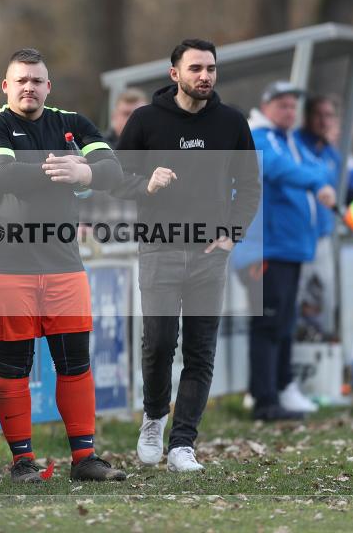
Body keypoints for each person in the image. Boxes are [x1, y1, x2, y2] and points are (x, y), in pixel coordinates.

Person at [0, 48, 126, 483]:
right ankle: (22, 461)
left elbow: (112, 170)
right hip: (5, 261)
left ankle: (85, 458)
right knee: (14, 362)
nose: (29, 87)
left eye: (37, 80)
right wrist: (68, 169)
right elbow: (0, 175)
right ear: (6, 86)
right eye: (21, 80)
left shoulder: (72, 123)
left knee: (75, 361)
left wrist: (88, 173)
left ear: (48, 86)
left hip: (63, 261)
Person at [114, 39, 260, 471]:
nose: (205, 76)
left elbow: (249, 185)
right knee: (159, 343)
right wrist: (145, 184)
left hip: (209, 256)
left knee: (200, 350)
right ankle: (154, 417)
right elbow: (115, 178)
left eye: (211, 68)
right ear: (174, 73)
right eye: (195, 68)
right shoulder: (145, 120)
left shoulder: (231, 122)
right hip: (159, 248)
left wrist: (233, 234)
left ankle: (182, 444)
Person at [231, 81, 337, 420]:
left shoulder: (288, 140)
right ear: (265, 107)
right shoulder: (258, 137)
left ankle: (281, 387)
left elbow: (320, 167)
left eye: (293, 106)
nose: (290, 112)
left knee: (284, 324)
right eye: (282, 105)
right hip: (265, 250)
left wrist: (319, 177)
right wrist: (317, 181)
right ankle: (264, 401)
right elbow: (280, 169)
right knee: (268, 324)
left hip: (288, 250)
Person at [294, 94, 342, 339]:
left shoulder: (332, 154)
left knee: (326, 297)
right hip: (298, 236)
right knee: (296, 298)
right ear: (307, 117)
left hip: (323, 236)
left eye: (329, 115)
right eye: (318, 115)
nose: (324, 121)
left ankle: (320, 342)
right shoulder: (294, 145)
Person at [78, 88, 146, 235]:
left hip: (146, 240)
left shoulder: (159, 154)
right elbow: (79, 192)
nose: (132, 120)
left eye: (138, 115)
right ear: (114, 117)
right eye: (126, 114)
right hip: (101, 240)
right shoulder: (93, 150)